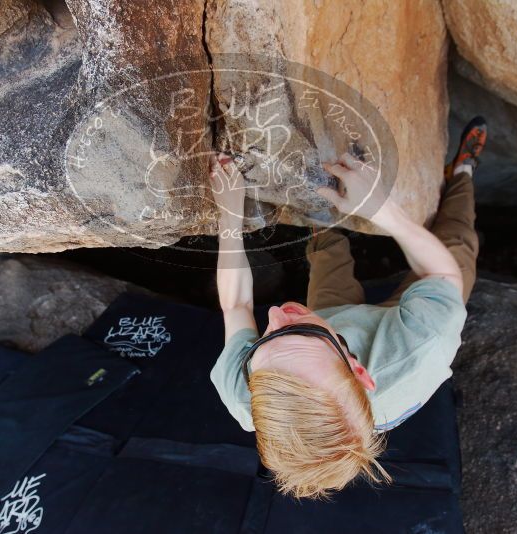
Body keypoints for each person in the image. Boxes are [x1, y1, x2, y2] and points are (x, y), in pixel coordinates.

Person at [209, 117, 487, 499]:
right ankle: (463, 173)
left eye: (262, 343)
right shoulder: (422, 348)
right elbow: (441, 272)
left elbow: (237, 304)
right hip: (395, 334)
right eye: (295, 330)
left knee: (326, 257)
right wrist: (382, 209)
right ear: (358, 370)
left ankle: (322, 208)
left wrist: (229, 215)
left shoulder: (248, 396)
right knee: (458, 242)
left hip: (333, 330)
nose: (274, 313)